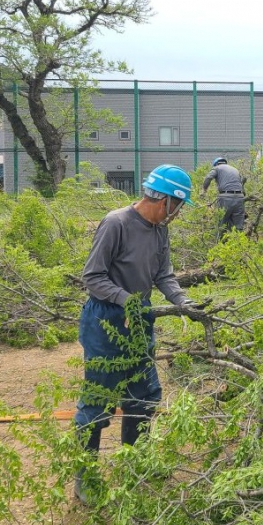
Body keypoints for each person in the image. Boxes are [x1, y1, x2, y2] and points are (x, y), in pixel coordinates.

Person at [73, 164, 199, 505]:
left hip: (139, 319)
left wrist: (184, 302)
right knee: (98, 399)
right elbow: (93, 277)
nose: (179, 213)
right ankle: (85, 475)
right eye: (180, 206)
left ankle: (135, 460)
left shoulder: (159, 230)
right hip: (106, 319)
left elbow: (164, 275)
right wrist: (127, 301)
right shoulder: (116, 223)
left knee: (144, 394)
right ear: (167, 200)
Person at [201, 156, 247, 234]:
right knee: (238, 227)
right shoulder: (235, 169)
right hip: (239, 198)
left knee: (221, 224)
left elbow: (208, 177)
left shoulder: (217, 168)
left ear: (216, 164)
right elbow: (242, 181)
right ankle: (239, 244)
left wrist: (204, 190)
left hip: (226, 198)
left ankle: (220, 244)